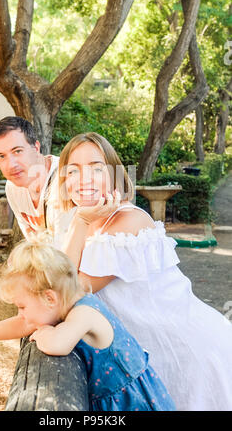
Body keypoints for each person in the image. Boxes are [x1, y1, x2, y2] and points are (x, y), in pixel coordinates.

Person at [57, 131, 232, 412]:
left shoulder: (127, 222)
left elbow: (63, 293)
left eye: (96, 168)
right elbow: (57, 277)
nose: (84, 179)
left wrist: (79, 222)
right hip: (155, 356)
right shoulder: (89, 219)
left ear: (114, 175)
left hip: (191, 353)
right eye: (73, 170)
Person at [0, 234, 175, 412]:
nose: (21, 313)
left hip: (132, 404)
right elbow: (24, 324)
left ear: (49, 298)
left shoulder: (84, 313)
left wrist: (44, 332)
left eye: (22, 306)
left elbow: (56, 345)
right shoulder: (66, 301)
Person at [0, 116, 119, 248]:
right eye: (1, 156)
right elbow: (33, 241)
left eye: (17, 151)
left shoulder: (67, 180)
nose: (11, 165)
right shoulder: (12, 187)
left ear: (36, 147)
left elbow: (68, 254)